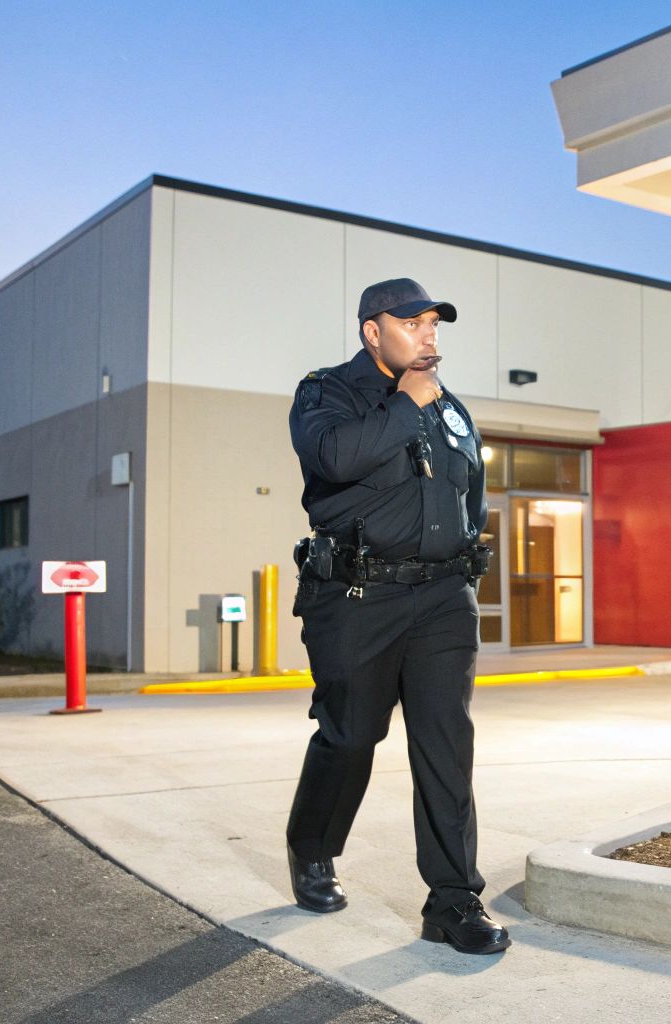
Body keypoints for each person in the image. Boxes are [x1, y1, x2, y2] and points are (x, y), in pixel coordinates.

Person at [283, 277, 507, 955]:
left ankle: (453, 900)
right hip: (357, 597)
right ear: (371, 330)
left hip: (441, 601)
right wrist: (407, 408)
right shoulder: (328, 393)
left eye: (434, 324)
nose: (428, 335)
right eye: (412, 323)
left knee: (445, 744)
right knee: (351, 736)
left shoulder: (450, 407)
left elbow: (470, 489)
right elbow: (331, 457)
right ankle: (312, 845)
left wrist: (467, 554)